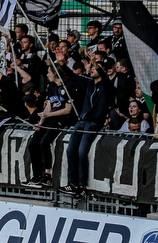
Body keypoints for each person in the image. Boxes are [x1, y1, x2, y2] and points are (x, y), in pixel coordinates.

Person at [62, 58, 115, 198]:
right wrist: (62, 64)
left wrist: (96, 64)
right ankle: (72, 183)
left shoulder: (106, 86)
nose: (91, 69)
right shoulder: (89, 84)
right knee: (70, 150)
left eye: (94, 67)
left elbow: (105, 76)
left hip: (93, 123)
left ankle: (82, 185)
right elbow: (74, 76)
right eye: (90, 67)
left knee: (82, 152)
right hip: (81, 121)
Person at [26, 65, 76, 188]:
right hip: (49, 118)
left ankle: (47, 175)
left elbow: (67, 110)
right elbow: (49, 105)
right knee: (33, 144)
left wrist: (49, 114)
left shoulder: (68, 86)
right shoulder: (51, 87)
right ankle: (36, 176)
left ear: (55, 73)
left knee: (44, 143)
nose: (47, 75)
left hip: (61, 119)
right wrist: (41, 120)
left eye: (49, 72)